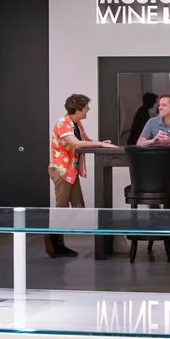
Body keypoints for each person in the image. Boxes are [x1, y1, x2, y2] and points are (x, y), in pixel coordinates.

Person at [45, 93, 116, 259]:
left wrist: (101, 143)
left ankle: (54, 237)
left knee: (78, 206)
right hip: (61, 170)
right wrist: (99, 144)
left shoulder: (76, 124)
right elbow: (76, 143)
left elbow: (86, 140)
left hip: (71, 171)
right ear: (78, 109)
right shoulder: (63, 123)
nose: (88, 110)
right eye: (86, 107)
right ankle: (54, 242)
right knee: (62, 207)